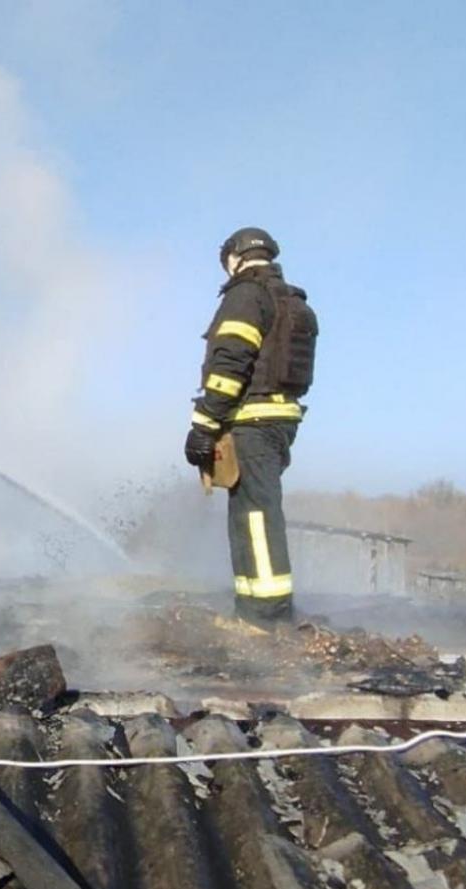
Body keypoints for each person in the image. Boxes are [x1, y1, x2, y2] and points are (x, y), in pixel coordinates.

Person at [184, 227, 318, 624]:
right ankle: (254, 613)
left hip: (251, 421)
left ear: (234, 257)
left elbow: (229, 364)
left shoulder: (246, 295)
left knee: (256, 519)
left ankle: (265, 619)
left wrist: (204, 426)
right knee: (251, 514)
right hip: (279, 421)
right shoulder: (290, 301)